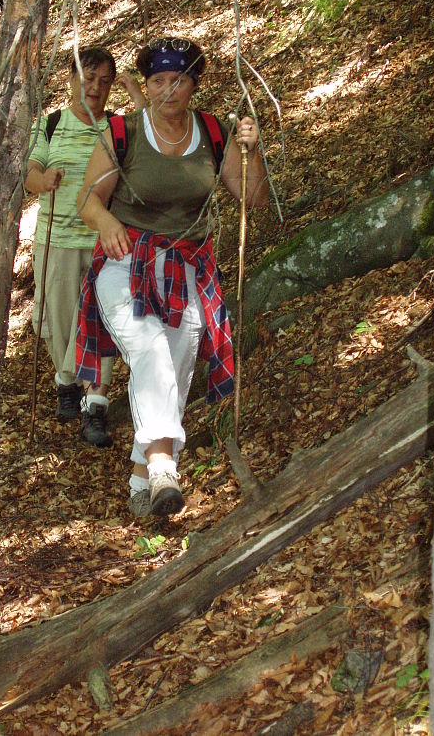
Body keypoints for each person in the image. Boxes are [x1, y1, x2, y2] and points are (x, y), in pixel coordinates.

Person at [75, 36, 269, 515]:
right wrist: (107, 221)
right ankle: (164, 464)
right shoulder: (123, 132)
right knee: (150, 350)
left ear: (193, 83)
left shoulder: (212, 132)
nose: (167, 90)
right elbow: (87, 201)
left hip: (187, 268)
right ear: (146, 84)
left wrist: (254, 150)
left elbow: (253, 197)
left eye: (178, 79)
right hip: (127, 261)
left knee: (179, 366)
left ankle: (144, 483)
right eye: (157, 80)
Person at [25, 46, 146, 447]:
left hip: (105, 241)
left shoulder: (118, 126)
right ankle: (66, 380)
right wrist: (43, 180)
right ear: (71, 79)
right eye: (88, 77)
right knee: (60, 322)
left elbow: (152, 140)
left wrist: (138, 96)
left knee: (102, 319)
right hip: (56, 239)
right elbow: (29, 171)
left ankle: (95, 403)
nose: (95, 87)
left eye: (104, 81)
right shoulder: (51, 124)